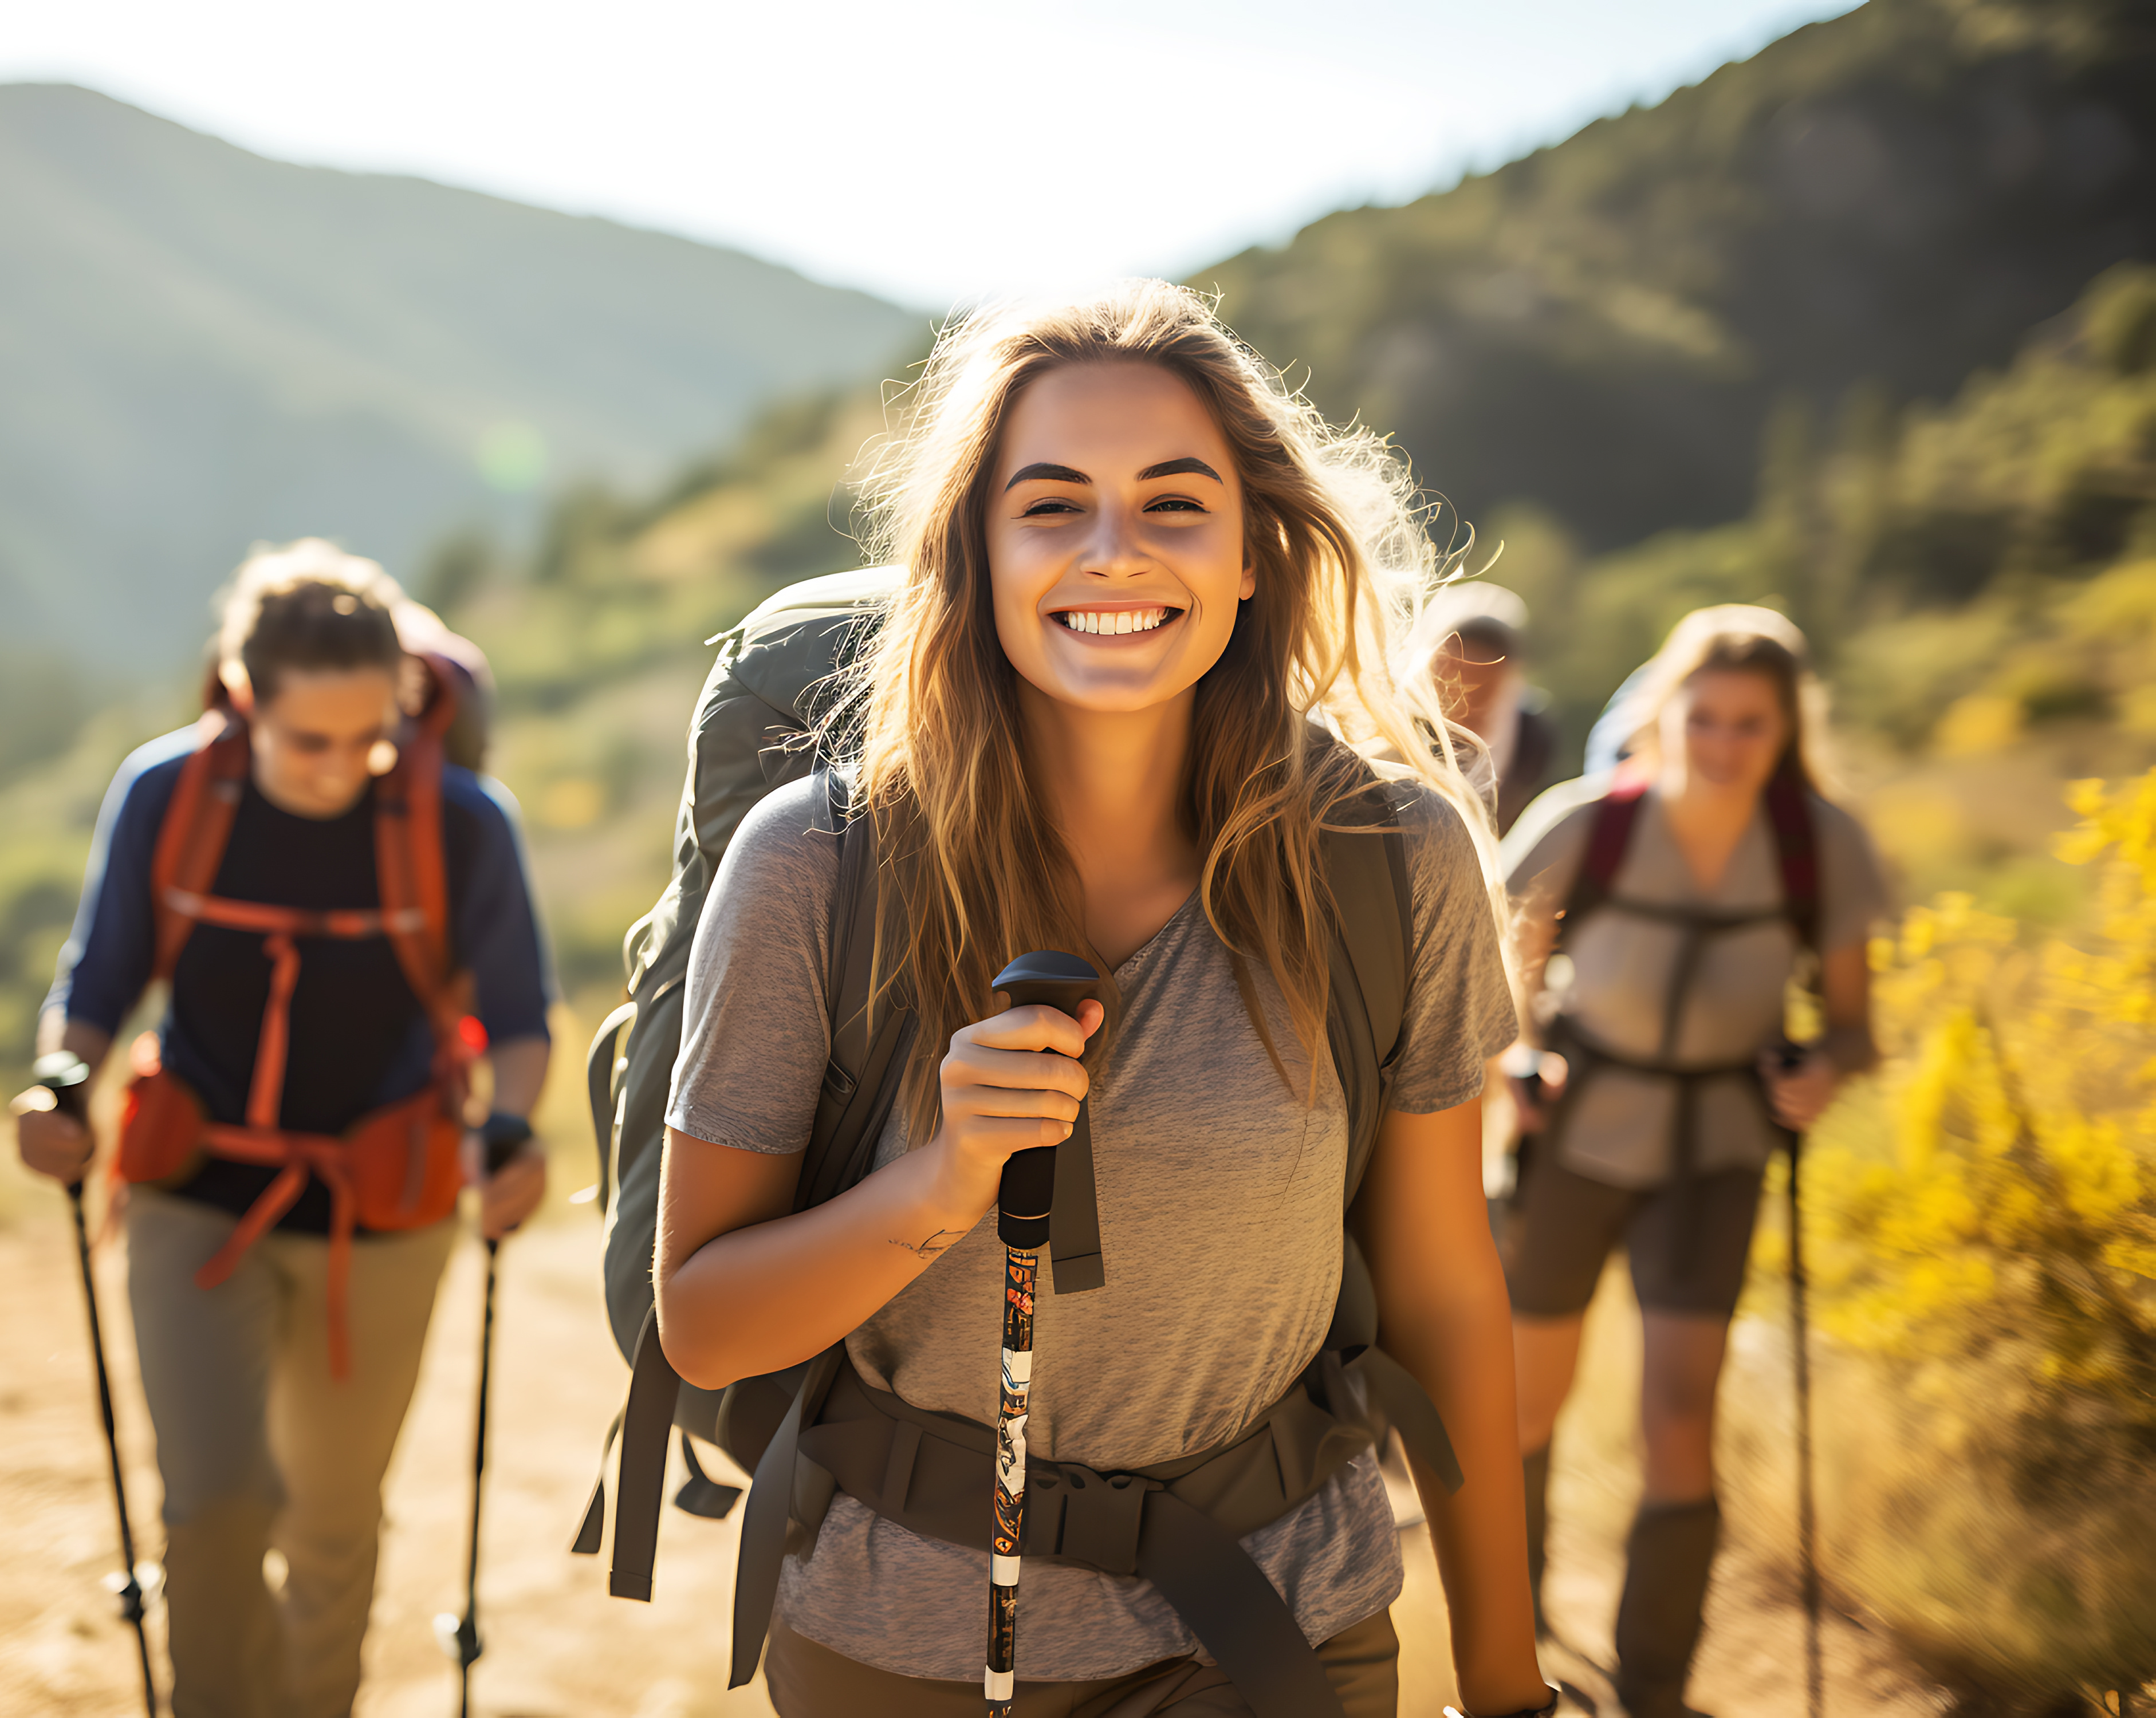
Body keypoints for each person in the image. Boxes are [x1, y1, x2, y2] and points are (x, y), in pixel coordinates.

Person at [654, 284, 1557, 1718]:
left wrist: (1507, 1684)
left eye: (1173, 503)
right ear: (976, 554)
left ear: (1255, 551)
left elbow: (1446, 1288)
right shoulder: (816, 867)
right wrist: (943, 1182)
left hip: (1281, 1628)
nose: (1110, 551)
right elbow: (703, 1322)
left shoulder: (1386, 857)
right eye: (1050, 505)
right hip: (906, 1652)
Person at [15, 541, 552, 1718]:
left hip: (387, 1215)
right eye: (309, 741)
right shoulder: (168, 794)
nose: (344, 768)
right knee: (213, 1508)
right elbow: (99, 982)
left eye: (371, 738)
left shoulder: (461, 825)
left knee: (334, 1518)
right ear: (244, 698)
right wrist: (63, 1081)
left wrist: (507, 1130)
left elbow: (518, 1020)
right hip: (191, 1194)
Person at [1497, 606, 1884, 1718]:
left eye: (1749, 725)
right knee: (1528, 1405)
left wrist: (1828, 1069)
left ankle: (1655, 1688)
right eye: (1702, 718)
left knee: (1680, 1417)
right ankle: (1511, 1643)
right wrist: (1519, 1061)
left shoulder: (1823, 845)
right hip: (1578, 1139)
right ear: (1665, 713)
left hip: (1716, 1153)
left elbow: (1858, 1027)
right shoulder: (1589, 825)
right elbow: (1501, 981)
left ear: (1786, 727)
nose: (1722, 743)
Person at [1422, 581, 1559, 834]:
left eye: (1487, 685)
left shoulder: (1530, 740)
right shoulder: (1391, 729)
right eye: (1458, 678)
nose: (1469, 700)